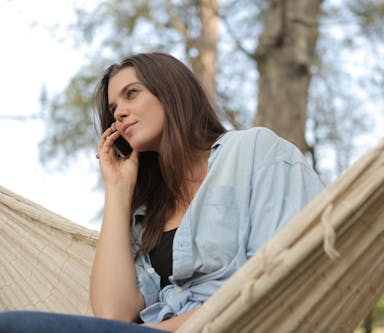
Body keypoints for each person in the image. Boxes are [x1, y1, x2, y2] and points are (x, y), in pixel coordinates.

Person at [0, 52, 324, 332]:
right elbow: (113, 315)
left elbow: (280, 281)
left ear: (172, 91)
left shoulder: (255, 151)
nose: (119, 113)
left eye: (132, 94)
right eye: (113, 108)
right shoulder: (147, 214)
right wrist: (117, 188)